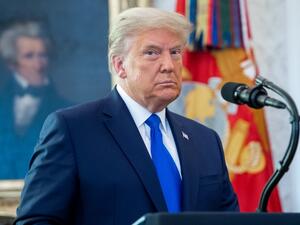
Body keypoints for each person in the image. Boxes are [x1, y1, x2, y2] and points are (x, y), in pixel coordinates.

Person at [14, 7, 239, 225]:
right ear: (120, 65)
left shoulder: (205, 140)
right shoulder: (73, 130)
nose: (169, 65)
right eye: (152, 53)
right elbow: (35, 221)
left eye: (175, 52)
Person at [0, 21, 68, 179]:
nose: (39, 65)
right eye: (29, 56)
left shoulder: (68, 110)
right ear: (12, 63)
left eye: (42, 55)